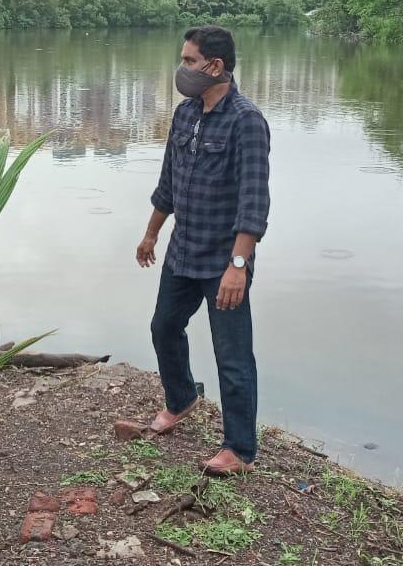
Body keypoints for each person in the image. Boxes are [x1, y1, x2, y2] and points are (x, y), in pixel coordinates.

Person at [136, 25, 271, 476]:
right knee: (163, 328)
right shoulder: (186, 114)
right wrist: (151, 233)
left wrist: (238, 265)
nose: (182, 69)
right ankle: (182, 399)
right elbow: (168, 183)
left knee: (232, 354)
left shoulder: (246, 121)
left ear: (215, 66)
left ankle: (239, 449)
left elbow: (254, 202)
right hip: (182, 251)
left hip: (222, 259)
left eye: (189, 61)